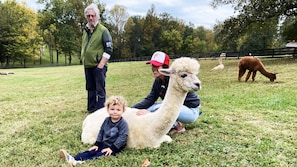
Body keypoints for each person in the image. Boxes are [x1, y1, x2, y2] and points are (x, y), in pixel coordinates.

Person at [131, 51, 202, 134]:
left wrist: (150, 113)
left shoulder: (177, 79)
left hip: (190, 110)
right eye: (153, 66)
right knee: (152, 107)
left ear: (164, 67)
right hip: (175, 107)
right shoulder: (158, 81)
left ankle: (177, 127)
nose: (154, 69)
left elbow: (192, 101)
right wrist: (132, 109)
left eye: (157, 66)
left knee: (159, 108)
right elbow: (150, 99)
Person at [60, 96, 128, 166]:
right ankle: (73, 158)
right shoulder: (107, 120)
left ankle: (80, 162)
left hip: (115, 147)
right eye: (112, 109)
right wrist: (97, 144)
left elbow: (122, 137)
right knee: (91, 151)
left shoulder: (123, 123)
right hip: (104, 143)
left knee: (101, 155)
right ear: (108, 109)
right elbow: (101, 131)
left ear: (123, 111)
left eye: (118, 110)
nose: (115, 112)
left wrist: (112, 148)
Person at [81, 3, 113, 113]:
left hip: (98, 66)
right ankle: (91, 108)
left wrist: (101, 65)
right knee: (90, 88)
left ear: (97, 16)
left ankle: (101, 111)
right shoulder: (85, 30)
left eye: (92, 15)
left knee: (100, 89)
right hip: (88, 65)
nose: (90, 18)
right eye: (88, 16)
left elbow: (109, 49)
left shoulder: (103, 31)